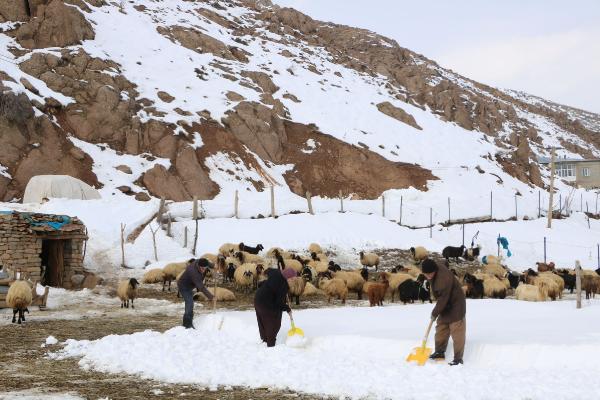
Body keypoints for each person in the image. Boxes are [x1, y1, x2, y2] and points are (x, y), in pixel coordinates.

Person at [422, 258, 466, 366]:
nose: (428, 276)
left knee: (457, 331)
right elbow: (443, 262)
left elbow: (442, 300)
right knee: (441, 328)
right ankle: (439, 352)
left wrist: (434, 313)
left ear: (435, 270)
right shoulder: (435, 266)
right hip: (445, 304)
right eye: (425, 274)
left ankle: (458, 358)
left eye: (430, 274)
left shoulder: (443, 280)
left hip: (456, 304)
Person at [254, 267, 291, 347]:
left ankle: (264, 340)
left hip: (258, 298)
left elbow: (268, 270)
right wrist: (287, 308)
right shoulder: (283, 285)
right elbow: (279, 303)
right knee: (273, 322)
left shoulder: (276, 272)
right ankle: (270, 345)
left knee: (262, 321)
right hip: (266, 302)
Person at [177, 258, 214, 329]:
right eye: (202, 268)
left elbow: (207, 263)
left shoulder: (199, 261)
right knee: (189, 303)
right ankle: (187, 324)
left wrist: (214, 266)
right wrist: (211, 297)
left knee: (190, 303)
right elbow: (201, 287)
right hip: (184, 287)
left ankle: (189, 320)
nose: (203, 270)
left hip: (190, 285)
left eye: (205, 268)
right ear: (198, 266)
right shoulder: (193, 272)